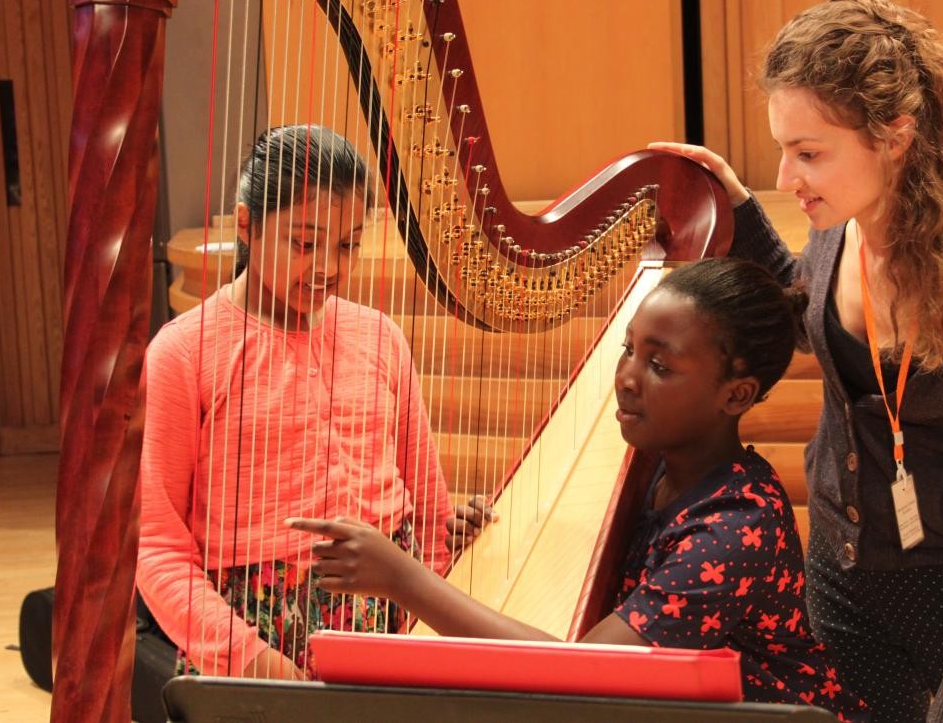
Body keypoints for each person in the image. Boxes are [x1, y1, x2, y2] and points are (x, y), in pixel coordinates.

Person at [650, 0, 943, 722]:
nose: (788, 177)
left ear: (896, 138)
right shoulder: (836, 238)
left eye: (809, 153)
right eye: (783, 149)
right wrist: (739, 210)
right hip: (841, 588)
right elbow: (813, 322)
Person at [290, 258, 868, 721]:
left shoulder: (736, 528)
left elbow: (586, 676)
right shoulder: (667, 469)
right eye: (629, 349)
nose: (627, 377)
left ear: (736, 396)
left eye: (660, 366)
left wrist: (405, 580)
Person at [137, 125, 489, 681]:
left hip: (389, 628)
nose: (328, 266)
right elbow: (156, 545)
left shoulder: (380, 336)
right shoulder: (183, 351)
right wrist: (250, 659)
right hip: (244, 640)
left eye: (348, 244)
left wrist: (445, 565)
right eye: (304, 243)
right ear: (247, 226)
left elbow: (428, 507)